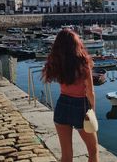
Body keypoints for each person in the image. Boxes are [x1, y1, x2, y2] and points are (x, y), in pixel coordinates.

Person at [42, 28, 99, 162]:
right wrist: (92, 112)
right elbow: (90, 92)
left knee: (66, 155)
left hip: (62, 106)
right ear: (76, 44)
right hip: (80, 107)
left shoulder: (57, 62)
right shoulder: (83, 63)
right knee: (93, 150)